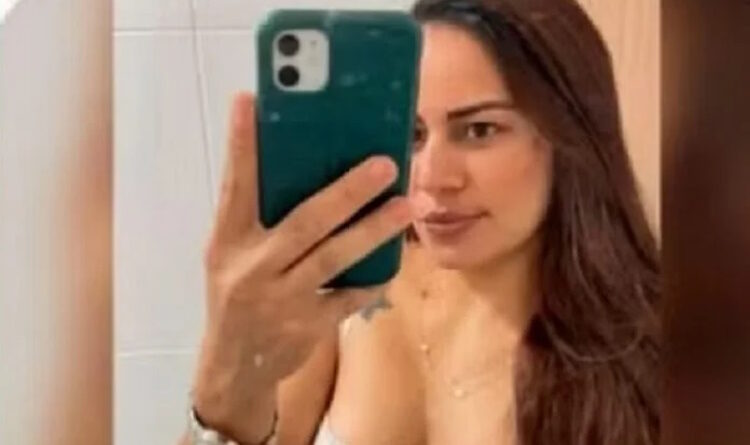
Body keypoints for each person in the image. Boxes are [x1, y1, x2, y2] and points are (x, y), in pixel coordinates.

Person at [180, 0, 660, 444]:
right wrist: (221, 395)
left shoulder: (648, 352)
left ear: (570, 137)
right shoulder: (344, 295)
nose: (431, 177)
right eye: (412, 134)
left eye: (478, 130)